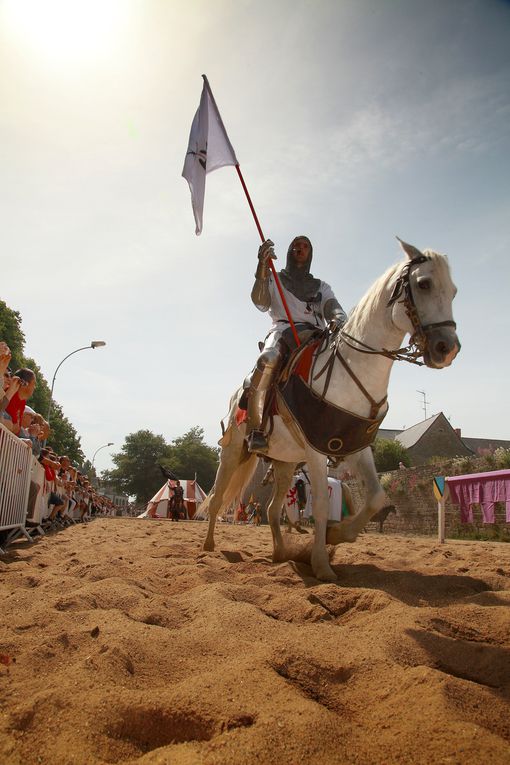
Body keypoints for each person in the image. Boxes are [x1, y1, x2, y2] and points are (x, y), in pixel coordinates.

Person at [247, 236, 347, 453]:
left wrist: (339, 318)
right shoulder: (274, 278)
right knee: (267, 360)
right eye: (296, 245)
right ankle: (255, 429)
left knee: (344, 362)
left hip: (316, 334)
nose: (300, 248)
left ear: (310, 253)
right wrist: (262, 268)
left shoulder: (321, 286)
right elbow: (260, 302)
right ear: (289, 250)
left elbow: (332, 306)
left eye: (305, 246)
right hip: (283, 331)